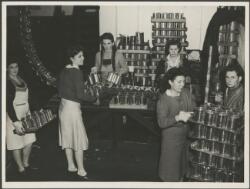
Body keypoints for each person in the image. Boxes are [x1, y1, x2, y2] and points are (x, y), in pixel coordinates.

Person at [57, 45, 96, 179]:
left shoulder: (64, 70)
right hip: (72, 109)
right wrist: (94, 97)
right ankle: (81, 169)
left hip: (63, 107)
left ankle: (71, 165)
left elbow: (65, 90)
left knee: (67, 137)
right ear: (72, 58)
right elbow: (80, 94)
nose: (83, 58)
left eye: (83, 55)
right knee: (78, 139)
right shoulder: (77, 72)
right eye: (80, 56)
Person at [156, 67, 196, 182]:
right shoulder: (163, 100)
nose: (182, 84)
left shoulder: (186, 93)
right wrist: (177, 117)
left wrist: (193, 113)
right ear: (170, 82)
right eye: (179, 82)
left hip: (185, 138)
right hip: (171, 141)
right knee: (170, 171)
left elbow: (193, 108)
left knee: (182, 169)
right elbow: (161, 123)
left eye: (183, 81)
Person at [6, 57, 37, 175]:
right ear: (7, 68)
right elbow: (8, 104)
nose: (14, 69)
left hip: (26, 113)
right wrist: (15, 121)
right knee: (16, 143)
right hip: (14, 115)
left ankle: (26, 163)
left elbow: (27, 98)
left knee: (30, 140)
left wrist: (30, 112)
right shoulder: (7, 82)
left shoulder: (21, 79)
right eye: (11, 67)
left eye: (16, 66)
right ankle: (20, 168)